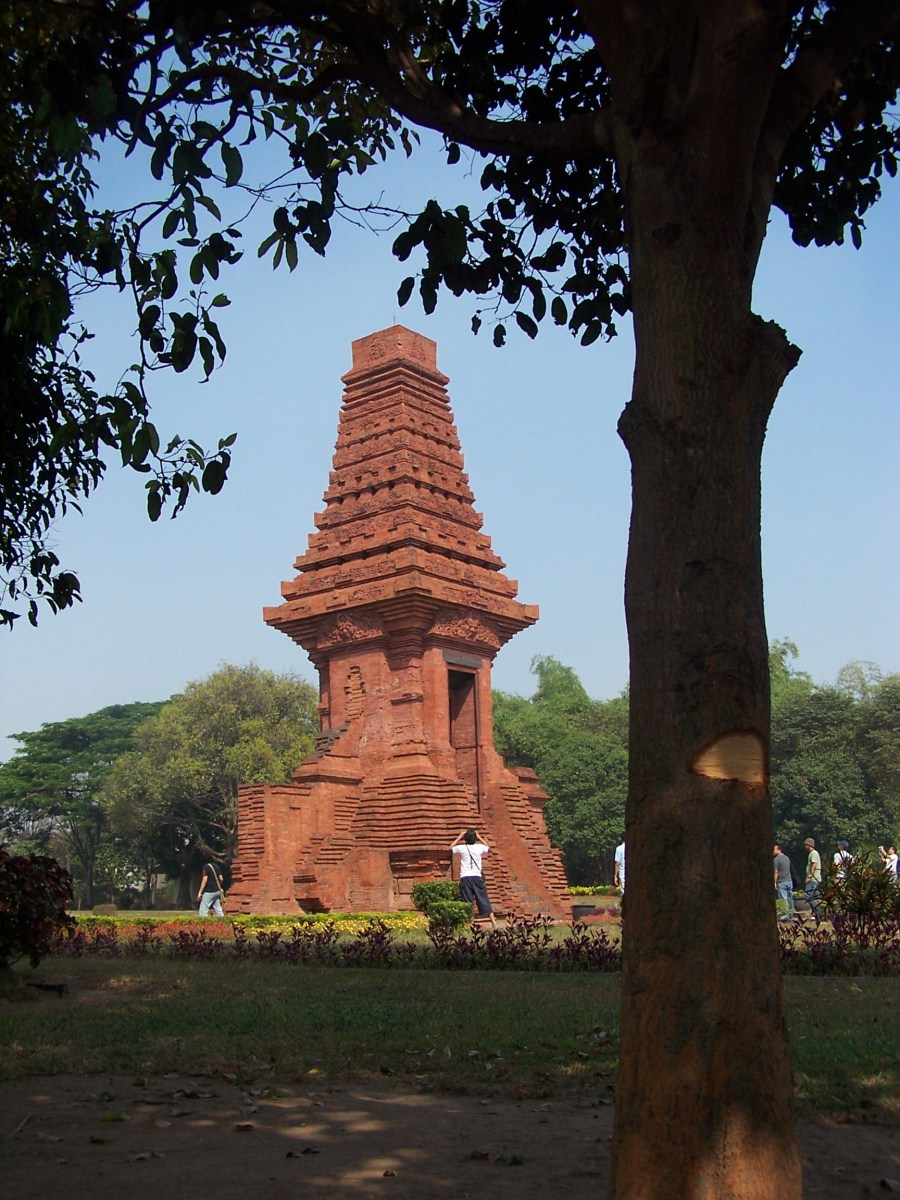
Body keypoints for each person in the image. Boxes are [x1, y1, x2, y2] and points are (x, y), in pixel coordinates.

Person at [450, 828, 497, 927]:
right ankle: (493, 922)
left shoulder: (461, 848)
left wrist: (459, 837)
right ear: (475, 838)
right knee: (483, 898)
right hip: (476, 877)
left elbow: (451, 847)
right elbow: (488, 848)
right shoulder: (479, 847)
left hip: (465, 877)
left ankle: (471, 924)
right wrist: (479, 837)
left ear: (465, 838)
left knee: (467, 902)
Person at [773, 843, 795, 921]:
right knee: (790, 898)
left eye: (774, 849)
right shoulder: (787, 858)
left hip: (781, 881)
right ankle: (791, 914)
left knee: (783, 899)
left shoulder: (776, 859)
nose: (773, 851)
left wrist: (774, 882)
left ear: (779, 849)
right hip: (789, 881)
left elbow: (776, 872)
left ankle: (785, 915)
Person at [803, 837, 822, 920]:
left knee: (808, 896)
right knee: (815, 898)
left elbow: (814, 865)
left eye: (805, 845)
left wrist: (809, 876)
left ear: (809, 845)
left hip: (813, 879)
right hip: (815, 878)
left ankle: (819, 913)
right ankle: (819, 915)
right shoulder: (812, 853)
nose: (804, 846)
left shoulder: (813, 853)